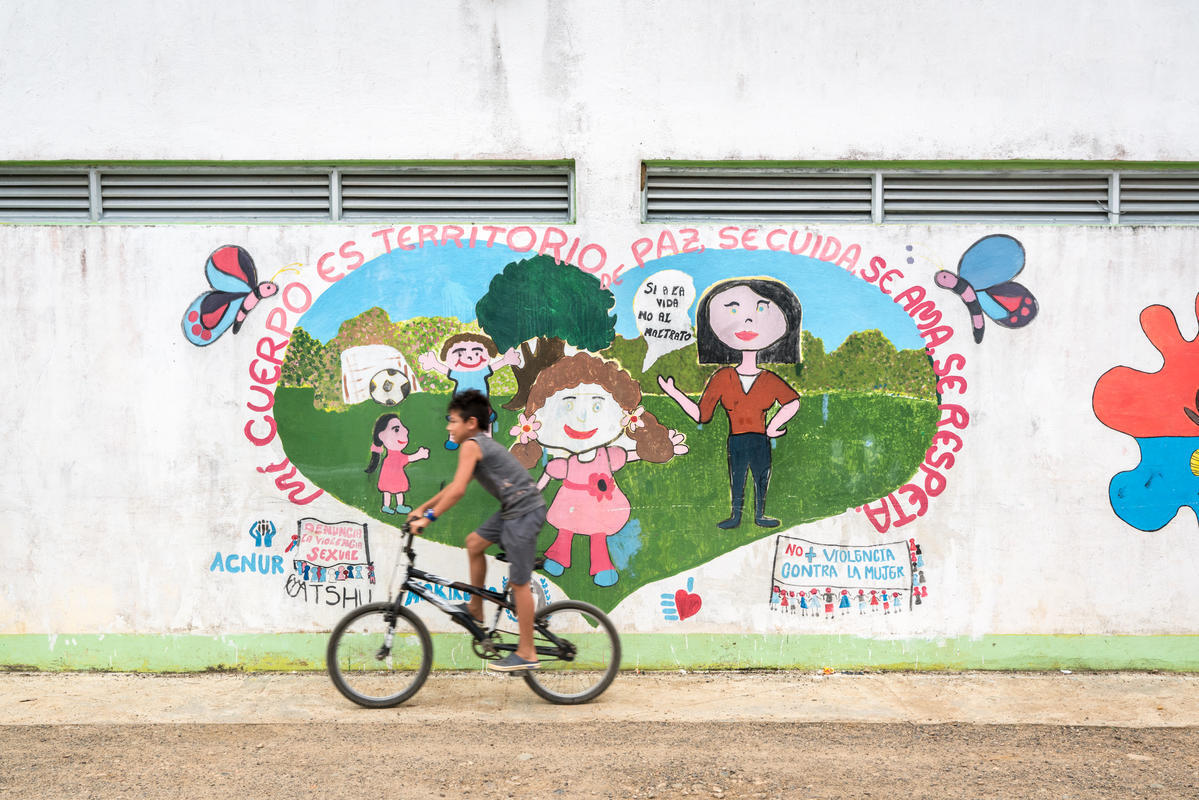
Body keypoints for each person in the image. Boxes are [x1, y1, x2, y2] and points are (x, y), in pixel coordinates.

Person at [407, 389, 547, 671]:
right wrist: (422, 508)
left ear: (471, 423)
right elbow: (454, 486)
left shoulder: (472, 444)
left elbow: (458, 491)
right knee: (474, 543)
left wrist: (428, 518)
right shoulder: (476, 444)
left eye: (453, 420)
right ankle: (476, 608)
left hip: (524, 512)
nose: (448, 426)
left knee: (519, 582)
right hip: (513, 510)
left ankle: (528, 652)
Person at [658, 277, 802, 529]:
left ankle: (760, 515)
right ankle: (735, 516)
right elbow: (702, 415)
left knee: (761, 477)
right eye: (733, 310)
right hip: (736, 439)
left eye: (760, 309)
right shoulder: (723, 378)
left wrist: (772, 426)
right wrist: (675, 393)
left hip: (760, 439)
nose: (747, 321)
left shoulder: (769, 379)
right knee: (737, 478)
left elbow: (792, 402)